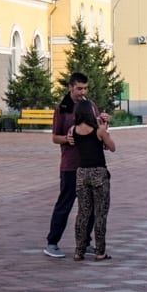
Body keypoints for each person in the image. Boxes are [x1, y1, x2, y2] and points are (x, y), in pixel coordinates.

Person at [44, 72, 106, 258]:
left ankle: (85, 242)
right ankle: (52, 243)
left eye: (85, 88)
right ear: (70, 87)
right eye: (79, 88)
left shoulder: (91, 105)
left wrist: (104, 123)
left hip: (90, 163)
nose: (82, 92)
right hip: (70, 165)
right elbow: (55, 137)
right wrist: (67, 138)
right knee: (65, 204)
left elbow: (98, 133)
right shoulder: (62, 109)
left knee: (90, 206)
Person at [72, 100, 115, 261]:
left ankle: (79, 251)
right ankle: (100, 251)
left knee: (83, 213)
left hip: (81, 173)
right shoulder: (99, 130)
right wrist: (105, 128)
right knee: (100, 213)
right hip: (98, 173)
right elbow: (111, 147)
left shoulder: (73, 130)